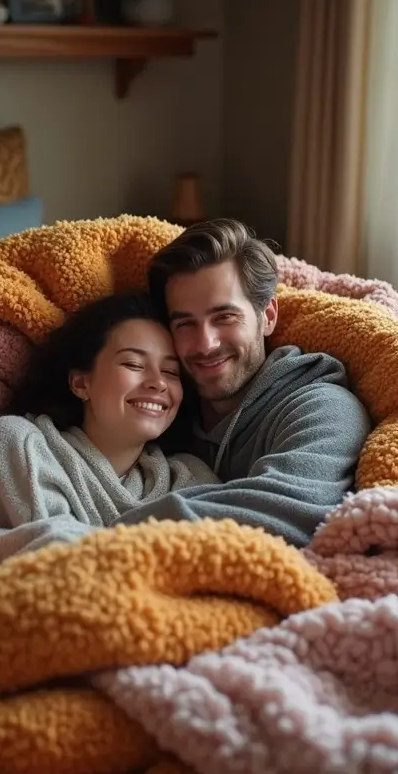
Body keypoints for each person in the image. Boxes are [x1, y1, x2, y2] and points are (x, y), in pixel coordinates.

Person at [113, 217, 372, 547]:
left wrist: (104, 540)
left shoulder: (323, 408)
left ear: (268, 316)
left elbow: (285, 512)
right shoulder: (159, 407)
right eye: (185, 324)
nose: (206, 344)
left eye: (225, 317)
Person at [0, 292, 218, 565]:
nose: (158, 383)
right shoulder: (16, 443)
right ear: (80, 383)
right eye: (133, 364)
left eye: (171, 372)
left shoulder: (188, 479)